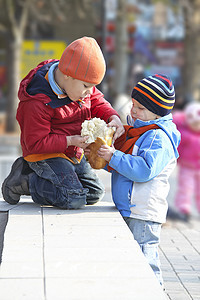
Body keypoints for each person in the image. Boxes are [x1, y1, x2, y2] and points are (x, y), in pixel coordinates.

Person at [1, 36, 124, 209]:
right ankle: (25, 180)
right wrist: (70, 141)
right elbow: (35, 143)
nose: (88, 93)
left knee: (95, 193)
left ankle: (60, 181)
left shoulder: (78, 82)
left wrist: (113, 116)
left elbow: (97, 100)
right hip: (44, 154)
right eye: (86, 87)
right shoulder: (37, 101)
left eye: (92, 87)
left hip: (71, 152)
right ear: (67, 75)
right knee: (73, 199)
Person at [96, 74, 181, 286]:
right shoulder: (141, 131)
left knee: (145, 262)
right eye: (133, 104)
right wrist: (103, 158)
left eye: (141, 108)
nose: (133, 111)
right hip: (132, 209)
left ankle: (155, 292)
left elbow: (143, 170)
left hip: (143, 212)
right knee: (131, 262)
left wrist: (113, 156)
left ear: (158, 112)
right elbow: (125, 167)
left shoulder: (158, 137)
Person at [172, 102, 200, 221]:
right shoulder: (184, 134)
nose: (196, 126)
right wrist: (175, 159)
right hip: (186, 167)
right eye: (194, 124)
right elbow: (178, 149)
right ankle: (184, 208)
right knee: (185, 188)